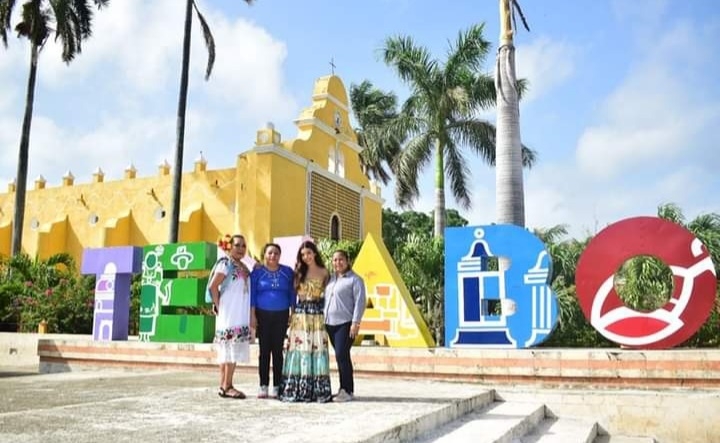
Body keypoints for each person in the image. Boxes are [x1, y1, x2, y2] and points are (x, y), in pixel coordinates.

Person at [279, 241, 332, 403]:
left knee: (317, 350)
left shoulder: (325, 272)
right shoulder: (297, 273)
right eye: (303, 254)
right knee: (300, 350)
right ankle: (297, 388)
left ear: (314, 253)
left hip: (317, 315)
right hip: (300, 315)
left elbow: (329, 296)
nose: (306, 257)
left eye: (308, 253)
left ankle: (318, 390)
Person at [209, 234, 252, 399]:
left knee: (229, 349)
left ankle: (224, 384)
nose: (240, 249)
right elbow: (213, 286)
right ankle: (228, 385)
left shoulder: (243, 266)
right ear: (230, 247)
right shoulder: (225, 264)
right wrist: (219, 305)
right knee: (230, 348)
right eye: (237, 245)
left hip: (239, 311)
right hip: (229, 312)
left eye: (243, 246)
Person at [250, 243, 295, 399]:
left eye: (276, 253)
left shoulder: (287, 272)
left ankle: (277, 386)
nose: (273, 256)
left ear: (280, 255)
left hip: (281, 315)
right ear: (265, 255)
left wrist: (293, 312)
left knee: (278, 351)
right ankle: (263, 385)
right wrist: (252, 315)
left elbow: (292, 293)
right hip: (263, 315)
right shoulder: (257, 273)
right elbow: (252, 295)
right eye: (270, 253)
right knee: (264, 352)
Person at [324, 249, 366, 402]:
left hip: (345, 323)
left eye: (341, 259)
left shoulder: (355, 280)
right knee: (341, 356)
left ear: (348, 261)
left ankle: (347, 389)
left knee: (342, 354)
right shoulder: (331, 279)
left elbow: (360, 302)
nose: (337, 263)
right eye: (334, 260)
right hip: (329, 323)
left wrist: (356, 322)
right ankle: (345, 388)